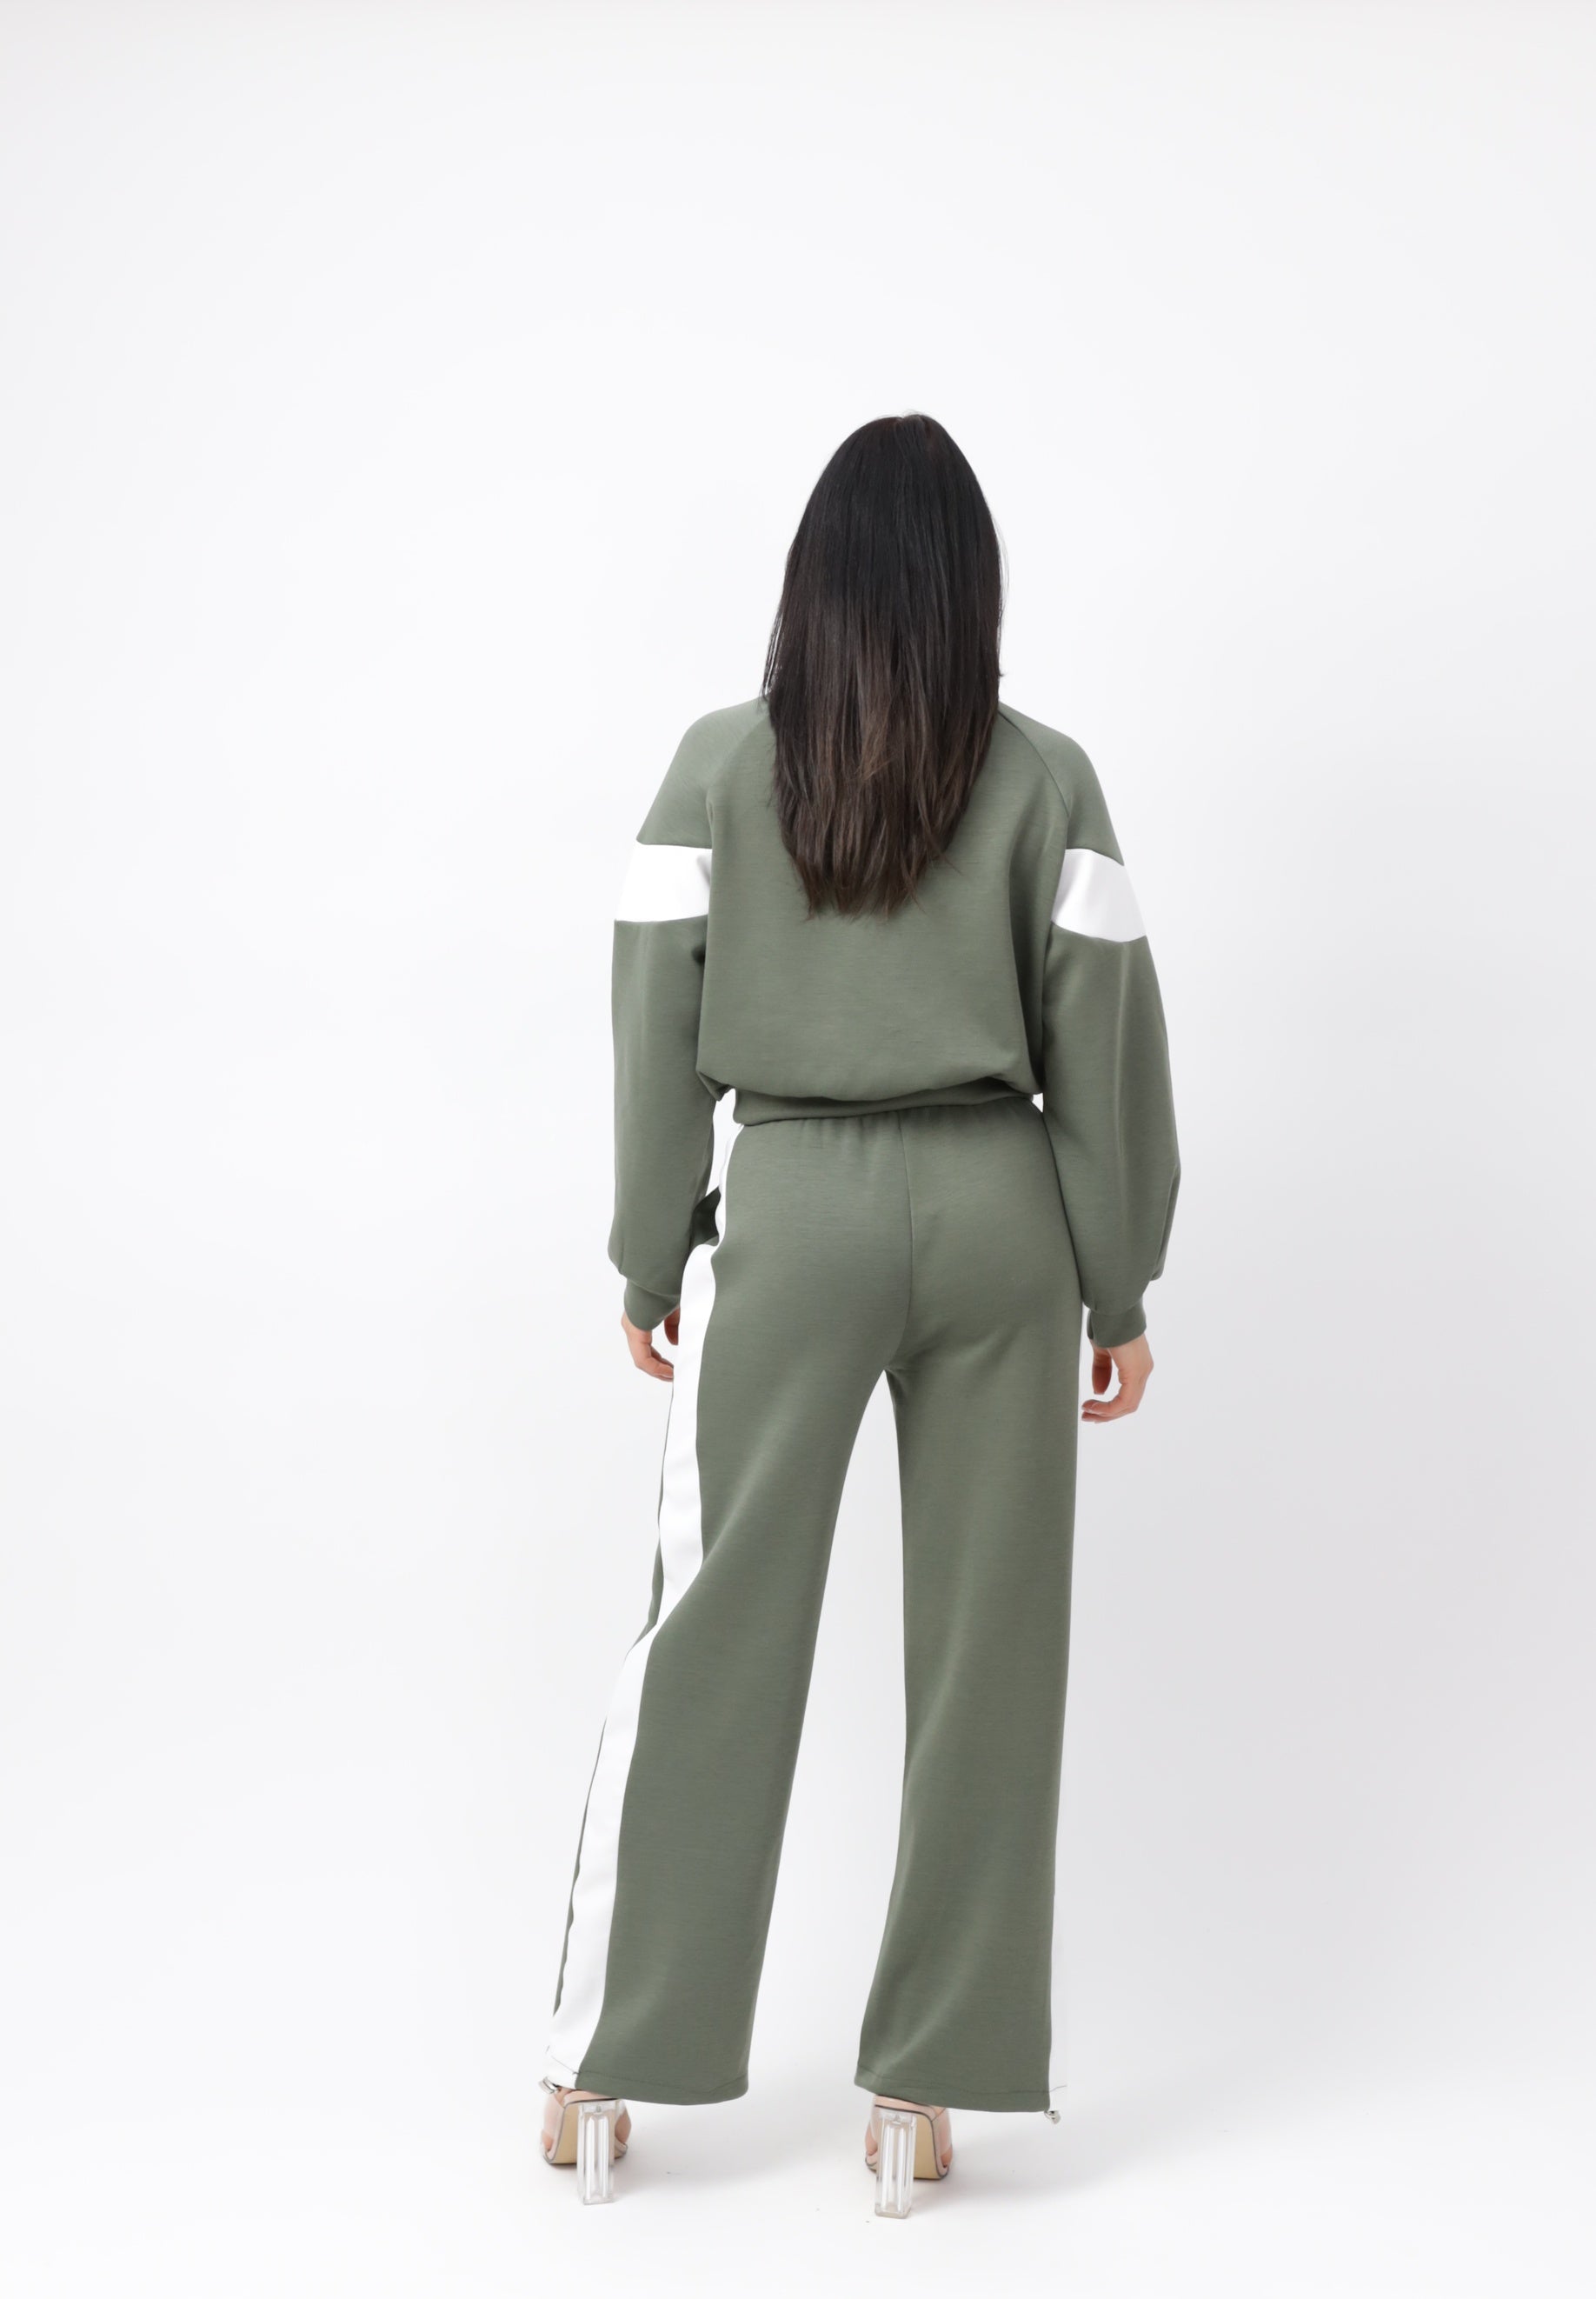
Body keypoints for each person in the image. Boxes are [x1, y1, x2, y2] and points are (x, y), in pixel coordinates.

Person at [539, 413, 1180, 2213]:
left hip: (794, 1210)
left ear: (808, 582)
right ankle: (926, 2086)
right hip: (1002, 1218)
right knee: (991, 1649)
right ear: (973, 589)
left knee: (716, 1625)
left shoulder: (715, 766)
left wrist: (649, 1248)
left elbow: (651, 1022)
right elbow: (1105, 1039)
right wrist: (1119, 1277)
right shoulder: (1047, 778)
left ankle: (607, 2065)